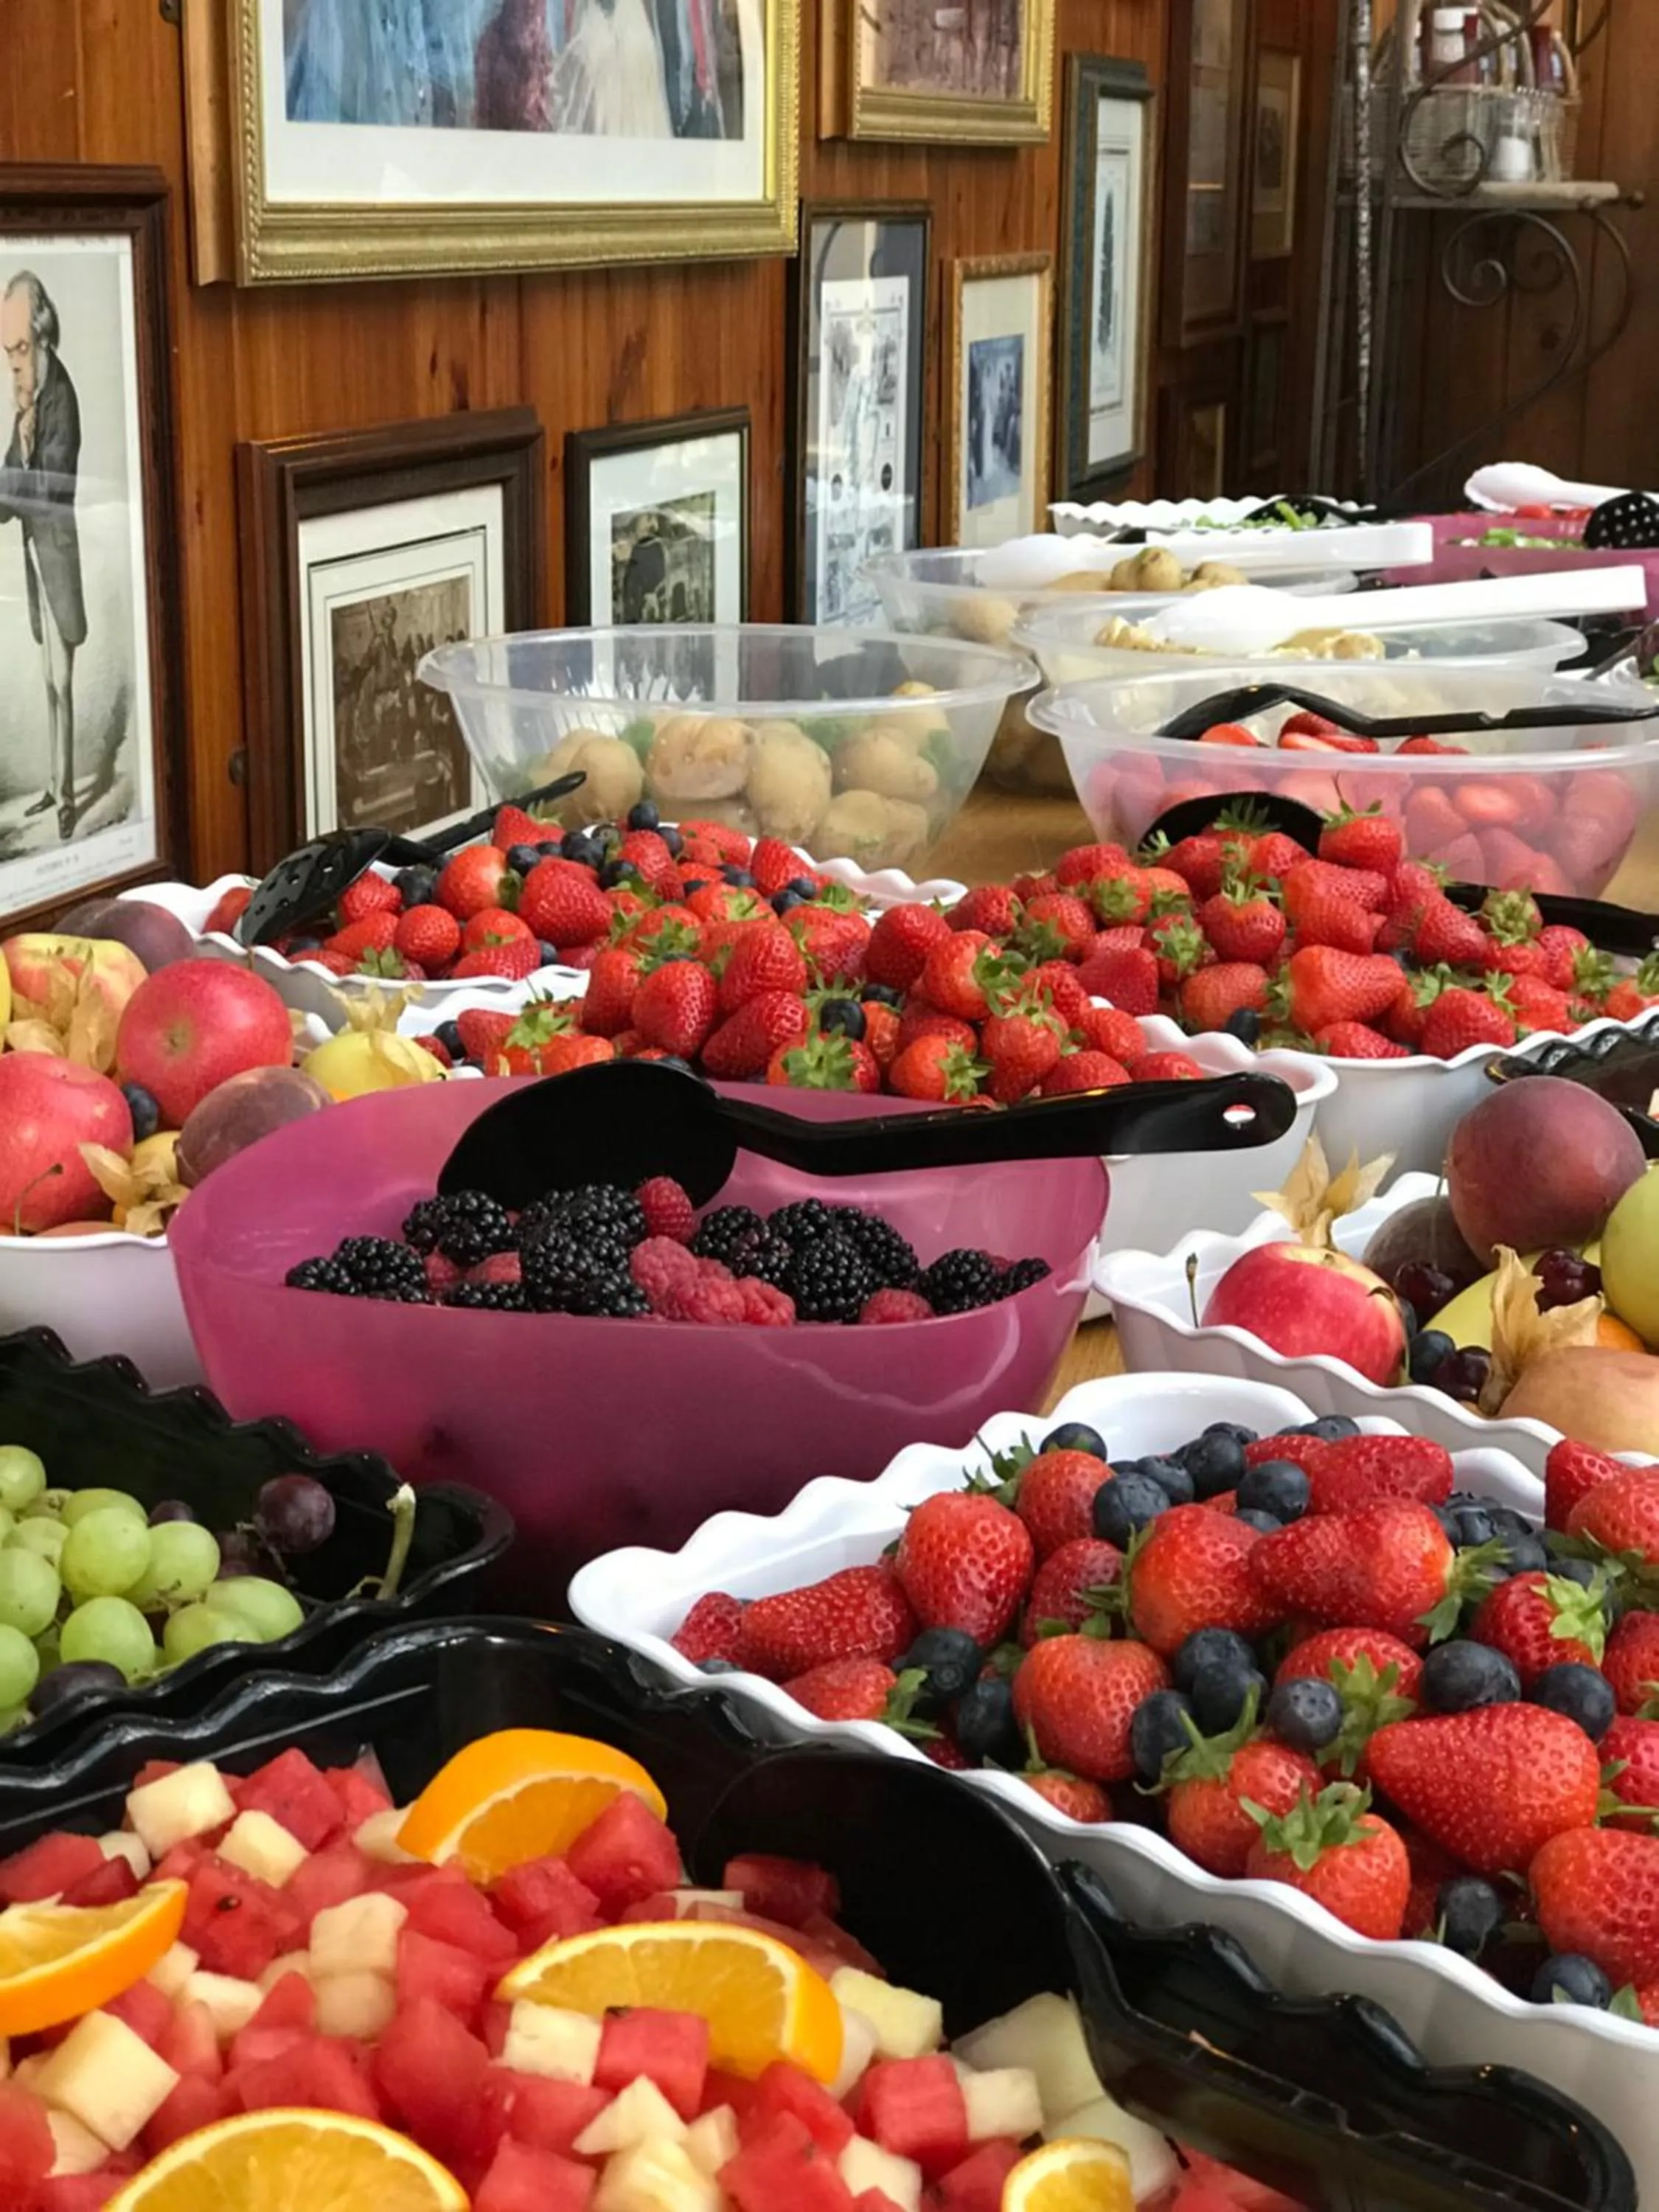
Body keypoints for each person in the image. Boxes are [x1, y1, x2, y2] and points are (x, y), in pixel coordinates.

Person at [0, 271, 86, 844]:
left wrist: (23, 458)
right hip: (35, 560)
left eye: (21, 349)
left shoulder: (61, 399)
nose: (13, 365)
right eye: (7, 352)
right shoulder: (25, 404)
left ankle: (68, 797)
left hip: (56, 558)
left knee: (62, 681)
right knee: (47, 679)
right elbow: (6, 491)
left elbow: (50, 489)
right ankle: (58, 789)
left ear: (45, 336)